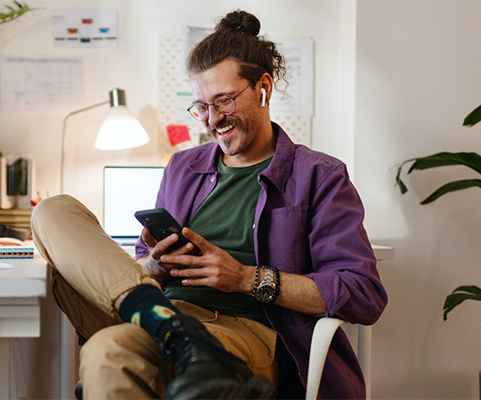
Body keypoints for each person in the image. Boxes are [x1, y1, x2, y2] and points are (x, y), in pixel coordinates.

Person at [31, 9, 387, 400]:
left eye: (224, 101)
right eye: (201, 106)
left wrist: (244, 278)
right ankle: (174, 332)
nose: (212, 119)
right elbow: (131, 272)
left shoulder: (319, 175)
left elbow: (362, 293)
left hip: (243, 333)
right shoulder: (183, 166)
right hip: (159, 314)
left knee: (107, 351)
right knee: (52, 210)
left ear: (263, 88)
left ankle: (184, 340)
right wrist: (156, 265)